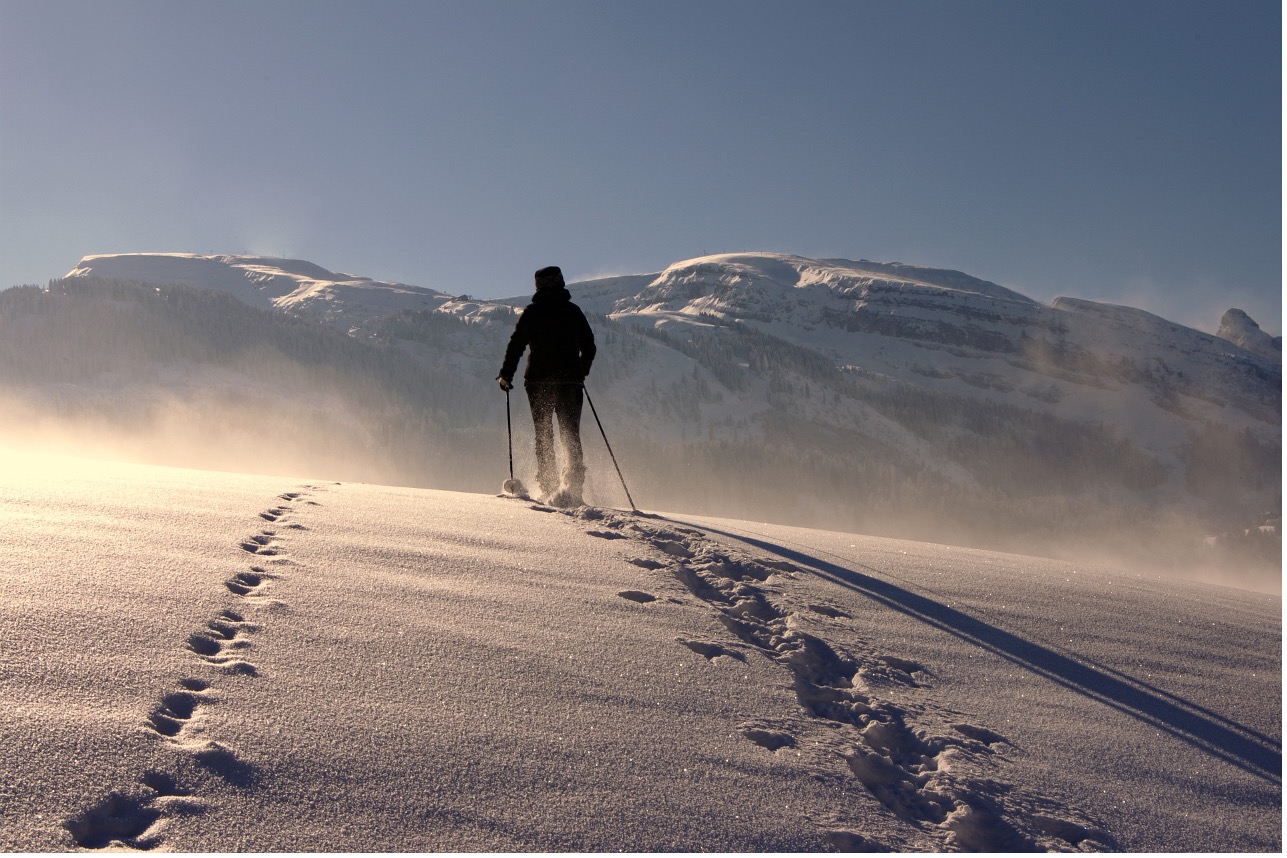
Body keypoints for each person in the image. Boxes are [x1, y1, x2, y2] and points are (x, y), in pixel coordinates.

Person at [497, 266, 596, 506]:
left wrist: (506, 375)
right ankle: (573, 490)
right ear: (561, 283)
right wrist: (580, 371)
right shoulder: (572, 312)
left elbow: (516, 345)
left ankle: (550, 487)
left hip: (538, 381)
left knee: (543, 434)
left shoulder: (532, 313)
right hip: (570, 382)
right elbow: (590, 346)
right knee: (570, 433)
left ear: (538, 286)